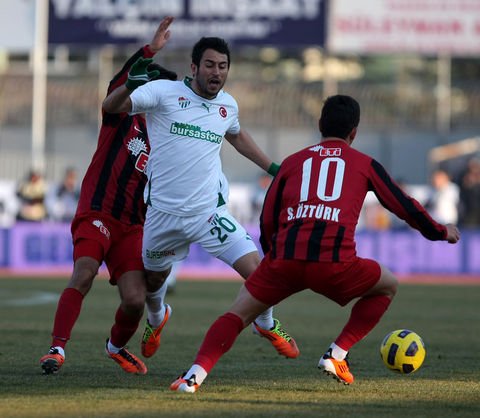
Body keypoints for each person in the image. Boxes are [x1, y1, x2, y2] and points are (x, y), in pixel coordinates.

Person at [170, 95, 460, 392]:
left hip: (285, 261)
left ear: (320, 125)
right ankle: (337, 353)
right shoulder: (365, 164)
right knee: (388, 285)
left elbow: (268, 218)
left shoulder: (293, 162)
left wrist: (272, 261)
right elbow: (402, 205)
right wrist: (439, 231)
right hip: (335, 264)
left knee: (238, 314)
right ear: (354, 132)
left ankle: (194, 376)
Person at [102, 16, 298, 360]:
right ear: (194, 67)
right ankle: (158, 316)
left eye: (223, 66)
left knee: (262, 273)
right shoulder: (164, 93)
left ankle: (265, 322)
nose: (217, 72)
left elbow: (236, 134)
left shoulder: (228, 105)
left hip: (209, 214)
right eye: (210, 64)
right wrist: (130, 86)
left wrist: (273, 168)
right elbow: (110, 108)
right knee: (153, 282)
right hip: (163, 214)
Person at [40, 24, 178, 375]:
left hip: (133, 225)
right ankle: (57, 350)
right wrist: (148, 50)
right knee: (84, 274)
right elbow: (116, 87)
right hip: (98, 211)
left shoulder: (166, 137)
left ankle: (115, 347)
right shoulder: (121, 115)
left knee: (134, 300)